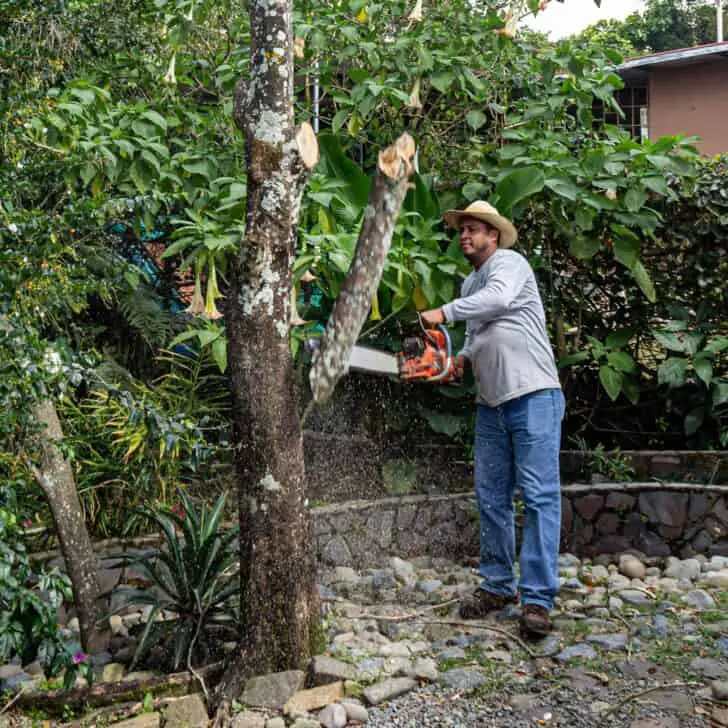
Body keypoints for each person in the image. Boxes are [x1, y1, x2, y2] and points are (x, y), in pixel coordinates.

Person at [420, 200, 564, 638]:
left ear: (493, 236)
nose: (465, 235)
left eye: (473, 229)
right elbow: (474, 336)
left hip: (533, 393)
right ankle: (498, 586)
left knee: (539, 497)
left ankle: (537, 600)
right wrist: (455, 362)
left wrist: (443, 312)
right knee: (491, 497)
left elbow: (498, 300)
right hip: (490, 404)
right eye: (461, 229)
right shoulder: (469, 282)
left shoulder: (509, 264)